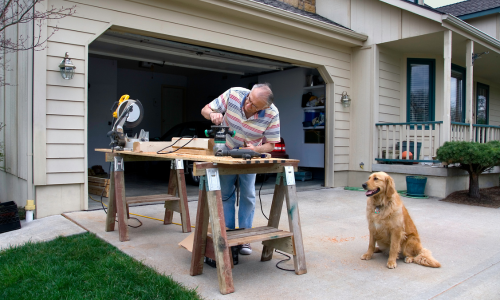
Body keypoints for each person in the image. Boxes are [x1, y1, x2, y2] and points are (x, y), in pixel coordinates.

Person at [201, 83, 280, 255]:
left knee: (248, 194)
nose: (248, 106)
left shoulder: (272, 113)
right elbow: (205, 110)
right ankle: (228, 233)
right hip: (226, 150)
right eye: (249, 100)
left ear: (265, 107)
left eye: (254, 106)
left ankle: (244, 238)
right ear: (250, 92)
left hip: (249, 155)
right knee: (226, 193)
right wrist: (213, 114)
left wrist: (257, 150)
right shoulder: (234, 94)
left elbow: (271, 144)